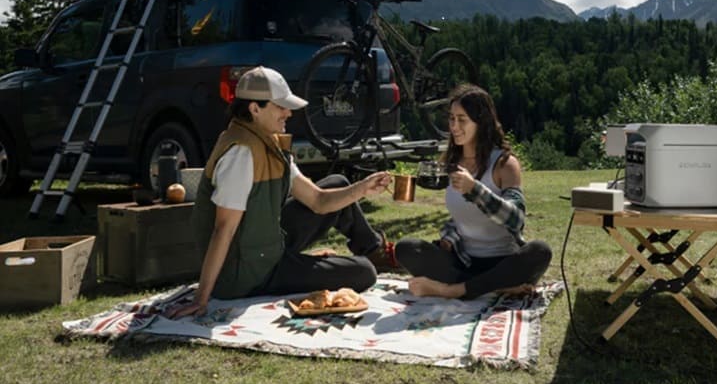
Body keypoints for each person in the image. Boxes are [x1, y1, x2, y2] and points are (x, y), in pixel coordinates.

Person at [167, 66, 394, 319]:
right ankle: (364, 260)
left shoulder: (268, 140)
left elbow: (318, 200)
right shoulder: (240, 154)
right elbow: (224, 229)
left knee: (338, 183)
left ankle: (375, 251)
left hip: (264, 244)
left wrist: (362, 188)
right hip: (246, 273)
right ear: (255, 109)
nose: (289, 112)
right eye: (281, 106)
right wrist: (202, 297)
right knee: (363, 272)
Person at [395, 84, 552, 299]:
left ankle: (454, 290)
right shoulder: (451, 163)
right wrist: (449, 235)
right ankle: (490, 288)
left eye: (462, 119)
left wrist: (475, 189)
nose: (454, 126)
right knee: (406, 248)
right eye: (451, 118)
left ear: (481, 122)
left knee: (540, 251)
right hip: (465, 261)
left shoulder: (504, 164)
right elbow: (461, 216)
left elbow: (516, 219)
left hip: (502, 263)